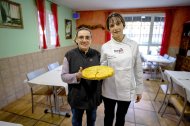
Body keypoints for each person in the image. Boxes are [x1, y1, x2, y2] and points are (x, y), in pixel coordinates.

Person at [100, 12, 144, 126]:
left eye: (118, 23)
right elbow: (102, 69)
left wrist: (139, 89)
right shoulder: (105, 47)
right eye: (112, 25)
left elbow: (138, 69)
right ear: (109, 29)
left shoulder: (133, 45)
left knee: (121, 117)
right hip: (109, 88)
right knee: (108, 117)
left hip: (126, 90)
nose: (115, 28)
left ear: (123, 25)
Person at [61, 27, 102, 126]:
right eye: (81, 37)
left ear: (91, 39)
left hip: (93, 97)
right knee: (76, 122)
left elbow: (102, 74)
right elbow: (63, 76)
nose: (84, 40)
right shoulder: (69, 55)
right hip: (76, 97)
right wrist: (77, 76)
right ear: (76, 39)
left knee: (91, 121)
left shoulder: (97, 55)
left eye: (87, 37)